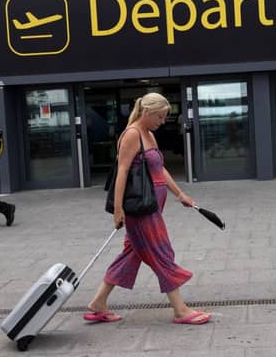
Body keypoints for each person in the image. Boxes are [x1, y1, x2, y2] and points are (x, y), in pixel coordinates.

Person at [84, 93, 211, 325]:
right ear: (147, 112)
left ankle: (98, 303)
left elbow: (159, 169)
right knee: (161, 252)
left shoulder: (149, 135)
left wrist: (180, 194)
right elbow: (122, 172)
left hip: (152, 207)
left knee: (130, 255)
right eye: (160, 117)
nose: (162, 122)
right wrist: (118, 209)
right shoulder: (132, 134)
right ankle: (180, 310)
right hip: (140, 211)